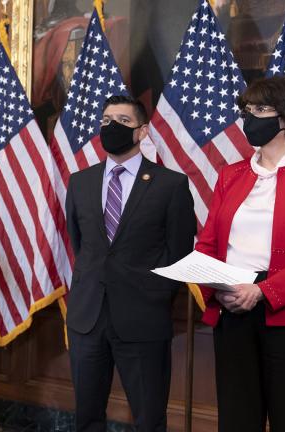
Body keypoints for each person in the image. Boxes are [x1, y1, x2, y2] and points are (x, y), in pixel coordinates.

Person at [195, 76, 285, 432]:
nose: (250, 117)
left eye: (260, 109)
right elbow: (207, 245)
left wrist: (264, 290)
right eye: (246, 110)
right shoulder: (231, 175)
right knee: (237, 419)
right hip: (233, 307)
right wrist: (217, 288)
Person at [65, 95, 196, 432]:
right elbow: (81, 244)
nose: (112, 127)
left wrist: (154, 296)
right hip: (87, 316)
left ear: (142, 131)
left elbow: (179, 255)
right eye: (106, 120)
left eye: (122, 121)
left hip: (143, 318)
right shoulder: (80, 182)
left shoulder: (171, 185)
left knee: (149, 419)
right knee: (87, 417)